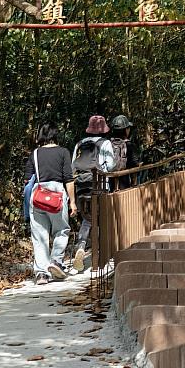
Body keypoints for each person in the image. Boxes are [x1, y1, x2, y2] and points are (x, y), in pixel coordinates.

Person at [24, 122, 78, 285]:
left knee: (39, 235)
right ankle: (55, 261)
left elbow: (27, 179)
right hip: (57, 194)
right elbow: (68, 179)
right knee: (61, 230)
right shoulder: (63, 152)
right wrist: (72, 202)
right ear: (55, 135)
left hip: (38, 194)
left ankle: (41, 274)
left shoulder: (35, 153)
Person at [71, 115, 116, 272]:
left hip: (81, 187)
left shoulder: (79, 144)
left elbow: (73, 166)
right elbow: (111, 165)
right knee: (101, 219)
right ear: (103, 130)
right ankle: (99, 257)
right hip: (99, 186)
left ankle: (81, 246)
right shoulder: (105, 143)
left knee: (87, 219)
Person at [109, 114, 141, 190]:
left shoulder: (108, 143)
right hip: (124, 182)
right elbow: (134, 163)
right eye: (128, 128)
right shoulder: (129, 145)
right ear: (125, 130)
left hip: (110, 181)